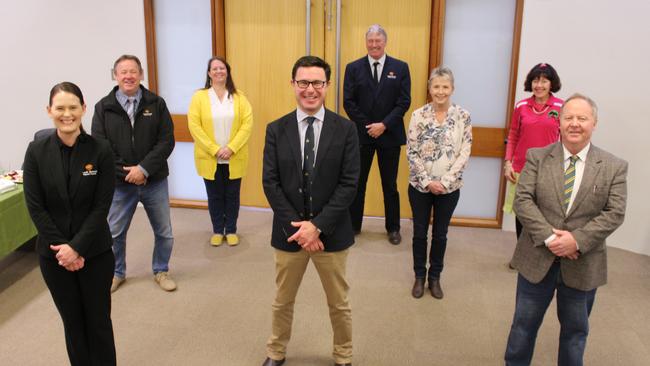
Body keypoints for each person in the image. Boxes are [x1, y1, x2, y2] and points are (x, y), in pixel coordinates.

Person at [504, 94, 628, 365]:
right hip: (536, 258)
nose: (574, 124)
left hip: (583, 263)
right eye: (568, 117)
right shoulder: (536, 157)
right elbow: (523, 200)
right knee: (522, 329)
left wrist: (576, 240)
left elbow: (615, 213)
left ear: (594, 123)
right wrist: (550, 238)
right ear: (558, 122)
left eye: (582, 118)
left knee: (575, 334)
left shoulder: (613, 167)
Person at [261, 56, 360, 366]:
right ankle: (276, 352)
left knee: (339, 303)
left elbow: (349, 183)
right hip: (290, 236)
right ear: (293, 85)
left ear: (327, 86)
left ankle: (343, 355)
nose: (310, 89)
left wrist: (316, 226)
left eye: (317, 83)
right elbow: (271, 182)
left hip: (331, 233)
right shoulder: (276, 129)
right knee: (282, 301)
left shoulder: (345, 129)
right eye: (303, 82)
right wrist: (300, 230)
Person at [23, 82, 117, 365]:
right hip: (54, 258)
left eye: (73, 107)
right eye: (60, 108)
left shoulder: (101, 150)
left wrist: (76, 247)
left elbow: (102, 206)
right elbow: (36, 207)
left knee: (98, 322)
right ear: (49, 111)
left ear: (84, 109)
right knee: (73, 323)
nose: (67, 114)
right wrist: (63, 249)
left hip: (95, 252)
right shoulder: (36, 151)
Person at [92, 54, 176, 292]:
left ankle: (161, 270)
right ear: (115, 76)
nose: (128, 76)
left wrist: (144, 169)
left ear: (141, 74)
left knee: (164, 231)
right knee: (114, 232)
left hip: (154, 180)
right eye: (123, 72)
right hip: (120, 183)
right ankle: (117, 272)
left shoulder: (156, 103)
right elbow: (100, 146)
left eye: (133, 71)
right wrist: (127, 172)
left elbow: (166, 141)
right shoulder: (103, 108)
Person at [406, 67, 472, 299]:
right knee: (419, 233)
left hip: (449, 188)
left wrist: (444, 182)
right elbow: (412, 152)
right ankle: (419, 277)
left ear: (452, 89)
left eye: (445, 87)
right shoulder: (418, 115)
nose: (440, 91)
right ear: (429, 88)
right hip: (419, 186)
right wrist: (427, 181)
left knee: (440, 235)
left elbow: (465, 152)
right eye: (436, 86)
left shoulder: (463, 116)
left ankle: (435, 278)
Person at [343, 24, 411, 244]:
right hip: (362, 136)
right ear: (366, 43)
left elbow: (404, 102)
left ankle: (393, 228)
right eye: (370, 40)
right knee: (357, 183)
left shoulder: (400, 68)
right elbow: (348, 102)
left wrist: (383, 125)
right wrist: (369, 126)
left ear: (385, 42)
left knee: (389, 185)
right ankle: (353, 227)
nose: (374, 44)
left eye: (378, 41)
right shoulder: (353, 68)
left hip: (390, 136)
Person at [188, 56, 253, 247]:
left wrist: (231, 148)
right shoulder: (199, 97)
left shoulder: (239, 97)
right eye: (214, 69)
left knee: (232, 195)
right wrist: (215, 149)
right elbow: (194, 126)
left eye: (222, 68)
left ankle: (231, 229)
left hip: (235, 156)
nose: (218, 72)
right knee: (215, 196)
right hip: (210, 157)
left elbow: (247, 125)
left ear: (227, 72)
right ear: (209, 73)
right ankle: (218, 230)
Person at [504, 63, 563, 239]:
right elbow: (513, 135)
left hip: (549, 169)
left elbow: (566, 139)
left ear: (552, 84)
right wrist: (508, 163)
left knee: (544, 213)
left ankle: (539, 258)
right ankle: (521, 256)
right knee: (522, 212)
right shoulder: (521, 105)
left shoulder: (561, 106)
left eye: (544, 81)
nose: (539, 85)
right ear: (530, 83)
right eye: (536, 80)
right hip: (522, 168)